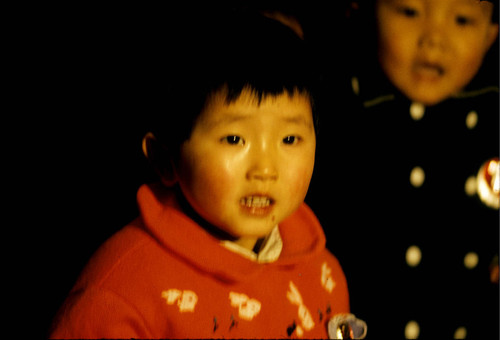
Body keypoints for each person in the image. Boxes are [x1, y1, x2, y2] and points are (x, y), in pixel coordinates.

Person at [49, 10, 361, 339]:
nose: (266, 169)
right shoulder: (123, 291)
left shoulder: (322, 272)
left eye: (289, 139)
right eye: (234, 139)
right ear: (164, 159)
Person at [308, 0, 499, 338]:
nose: (434, 39)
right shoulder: (339, 107)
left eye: (463, 20)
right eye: (409, 12)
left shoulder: (493, 112)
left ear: (491, 34)